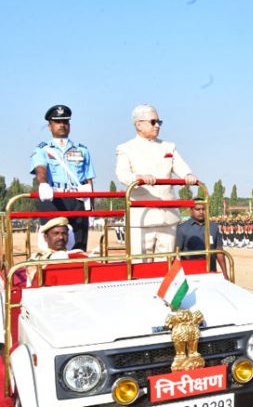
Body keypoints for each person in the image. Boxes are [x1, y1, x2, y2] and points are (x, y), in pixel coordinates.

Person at [115, 104, 198, 259]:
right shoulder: (126, 148)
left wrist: (187, 175)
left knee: (167, 263)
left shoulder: (168, 146)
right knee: (139, 263)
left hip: (168, 216)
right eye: (153, 122)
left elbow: (180, 166)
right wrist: (139, 178)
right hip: (141, 217)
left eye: (159, 122)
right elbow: (122, 174)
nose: (157, 125)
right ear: (138, 124)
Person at [31, 105, 95, 251]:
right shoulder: (42, 149)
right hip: (53, 197)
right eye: (57, 122)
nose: (62, 125)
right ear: (50, 126)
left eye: (65, 122)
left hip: (78, 198)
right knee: (54, 243)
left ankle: (78, 272)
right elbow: (40, 168)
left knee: (79, 244)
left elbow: (88, 178)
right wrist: (43, 184)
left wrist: (91, 207)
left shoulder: (82, 149)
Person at [25, 217, 89, 286]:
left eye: (64, 233)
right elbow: (35, 279)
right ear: (45, 237)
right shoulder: (37, 259)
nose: (61, 237)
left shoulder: (77, 255)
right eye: (56, 233)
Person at [175, 198, 227, 278]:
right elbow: (176, 256)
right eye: (198, 209)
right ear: (191, 210)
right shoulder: (182, 228)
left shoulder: (213, 227)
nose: (201, 212)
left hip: (211, 273)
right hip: (189, 275)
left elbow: (219, 252)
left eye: (204, 209)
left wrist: (225, 274)